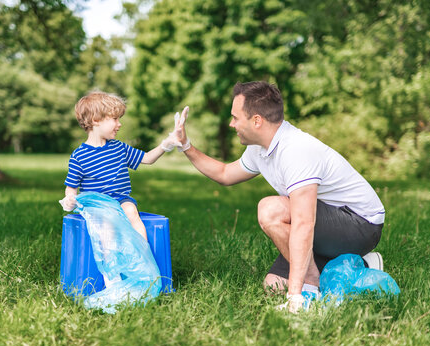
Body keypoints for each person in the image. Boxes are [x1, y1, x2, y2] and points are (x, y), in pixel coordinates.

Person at [176, 81, 385, 312]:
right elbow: (225, 174)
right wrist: (186, 145)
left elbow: (304, 223)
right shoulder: (260, 149)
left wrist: (296, 296)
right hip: (328, 221)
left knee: (270, 209)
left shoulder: (296, 150)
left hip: (360, 224)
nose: (231, 123)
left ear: (257, 120)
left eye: (235, 118)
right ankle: (363, 264)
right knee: (273, 286)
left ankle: (310, 288)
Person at [59, 91, 186, 241]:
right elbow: (71, 187)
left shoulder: (119, 147)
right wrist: (69, 199)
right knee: (107, 225)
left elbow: (147, 158)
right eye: (114, 119)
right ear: (96, 120)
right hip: (96, 206)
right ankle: (110, 263)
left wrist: (167, 143)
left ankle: (142, 254)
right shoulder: (78, 156)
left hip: (121, 200)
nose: (119, 124)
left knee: (132, 211)